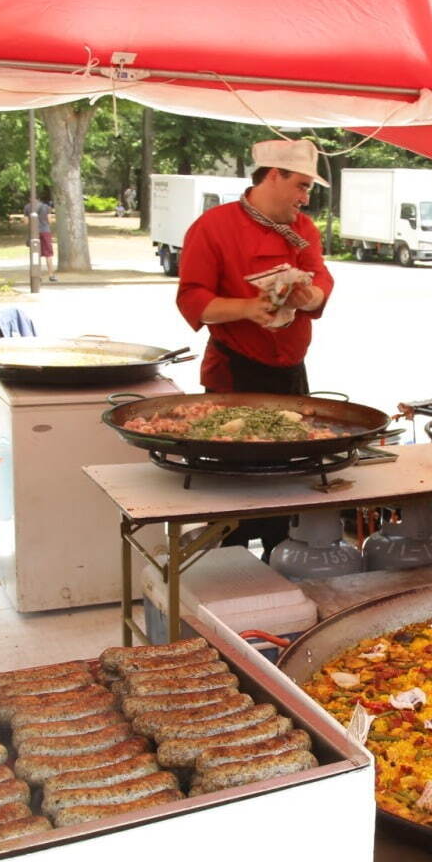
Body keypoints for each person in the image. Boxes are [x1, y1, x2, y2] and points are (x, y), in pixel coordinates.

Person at [175, 138, 334, 556]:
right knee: (236, 494)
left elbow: (321, 279)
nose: (304, 197)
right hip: (236, 372)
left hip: (290, 372)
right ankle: (230, 571)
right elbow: (192, 299)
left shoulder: (302, 229)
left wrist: (311, 296)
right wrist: (247, 307)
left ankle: (283, 561)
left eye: (308, 190)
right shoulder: (214, 226)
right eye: (300, 186)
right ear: (272, 175)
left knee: (287, 483)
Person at [24, 195, 57, 281]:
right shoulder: (46, 207)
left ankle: (38, 276)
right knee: (48, 254)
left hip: (34, 233)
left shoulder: (27, 207)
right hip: (45, 231)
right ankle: (51, 275)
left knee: (36, 254)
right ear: (39, 198)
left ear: (29, 198)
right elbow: (49, 220)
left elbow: (26, 222)